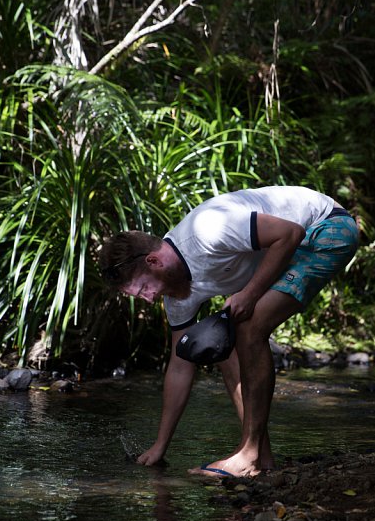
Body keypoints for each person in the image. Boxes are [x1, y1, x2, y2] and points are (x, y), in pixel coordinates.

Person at [99, 185, 359, 478]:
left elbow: (290, 234)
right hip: (296, 245)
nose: (147, 298)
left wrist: (249, 294)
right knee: (223, 347)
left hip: (328, 227)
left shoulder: (208, 230)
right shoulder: (177, 294)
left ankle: (248, 456)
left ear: (154, 261)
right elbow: (180, 365)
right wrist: (160, 446)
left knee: (248, 327)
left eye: (144, 288)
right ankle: (263, 460)